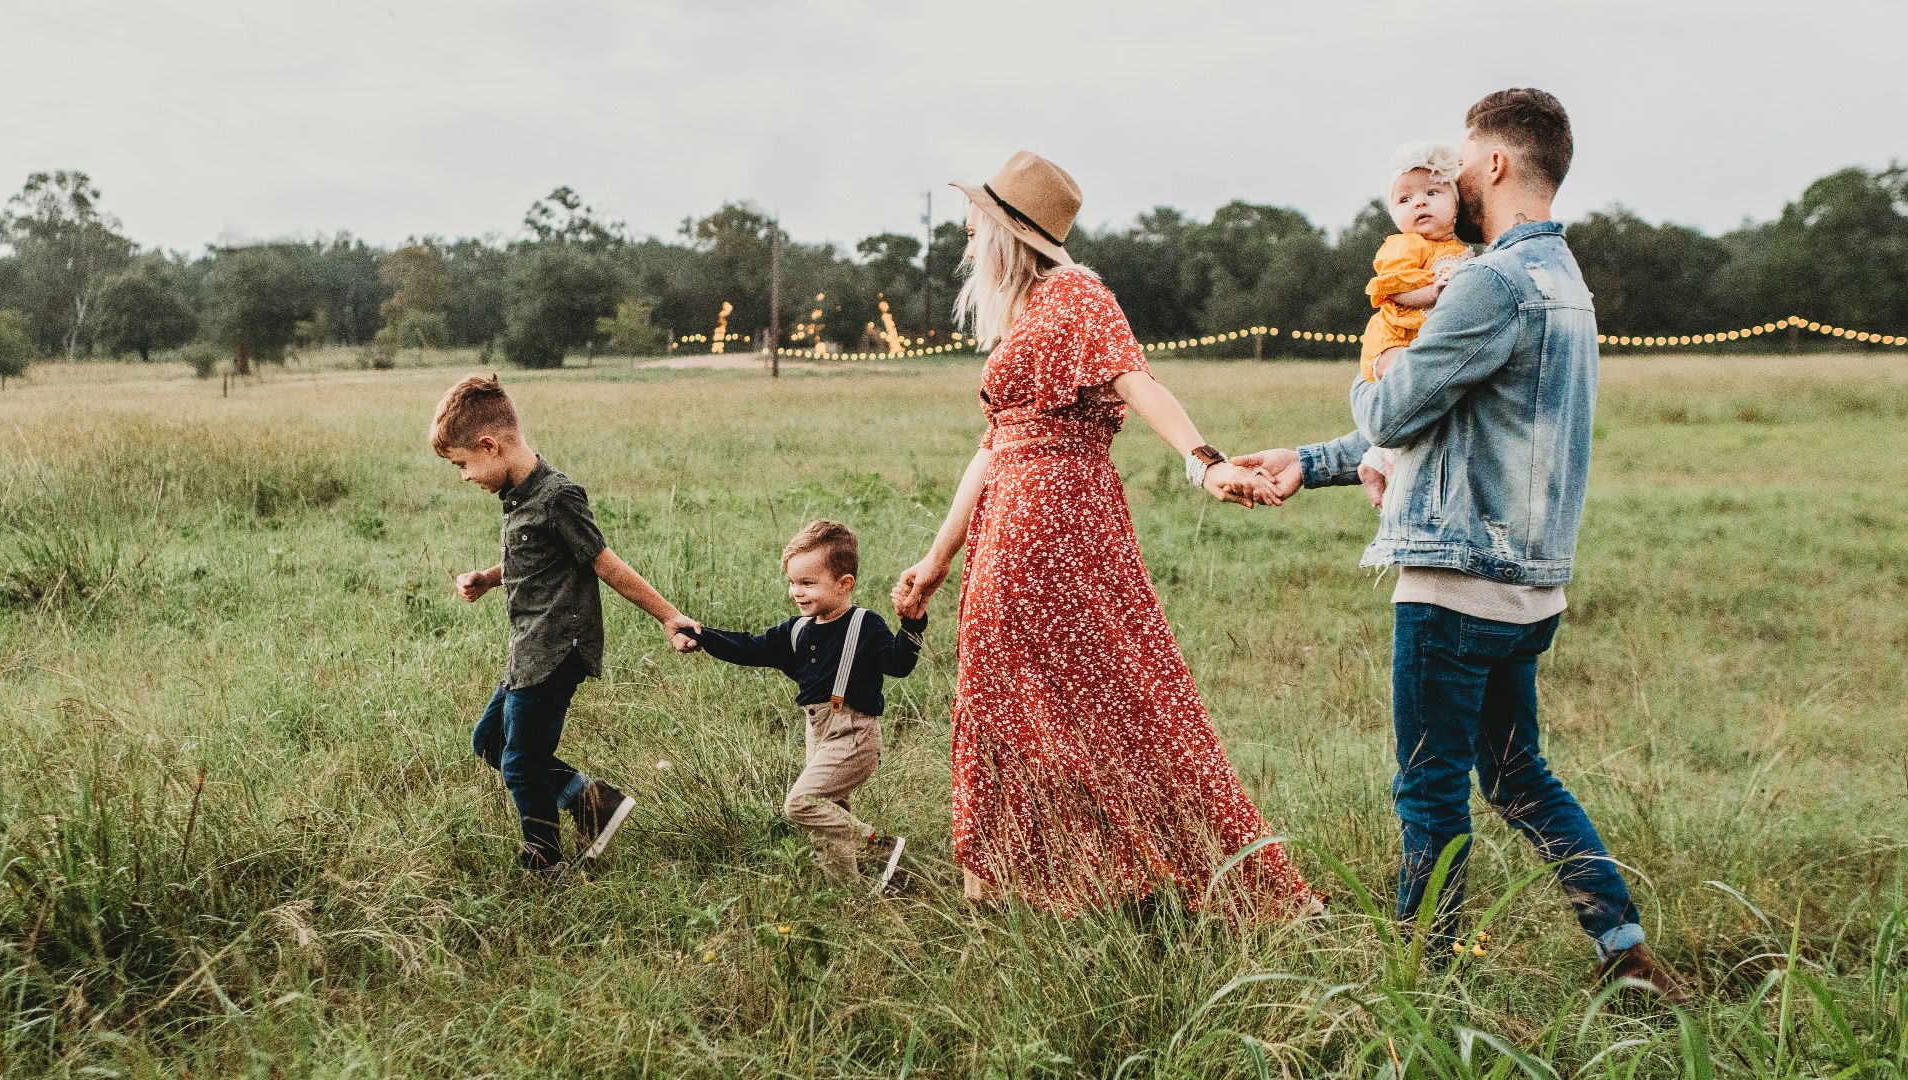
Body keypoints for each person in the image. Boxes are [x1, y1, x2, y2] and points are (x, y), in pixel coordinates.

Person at [1237, 90, 1685, 998]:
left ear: (1496, 166)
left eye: (1461, 162)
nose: (1448, 179)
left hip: (1455, 582)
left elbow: (1398, 407)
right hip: (1529, 586)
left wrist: (1373, 371)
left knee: (1428, 788)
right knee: (1519, 776)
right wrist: (1312, 462)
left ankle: (1420, 981)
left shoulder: (1488, 281)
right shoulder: (1565, 282)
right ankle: (1624, 951)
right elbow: (1456, 422)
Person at [891, 150, 1316, 922]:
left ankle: (1158, 871)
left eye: (975, 221)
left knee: (1116, 694)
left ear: (1008, 231)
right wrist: (937, 557)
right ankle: (1023, 877)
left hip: (1056, 518)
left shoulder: (1077, 295)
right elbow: (993, 446)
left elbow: (1138, 380)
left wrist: (1204, 462)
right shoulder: (1023, 313)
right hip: (1011, 519)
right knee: (1007, 692)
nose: (964, 234)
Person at [432, 374, 700, 872]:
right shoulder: (517, 497)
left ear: (489, 446)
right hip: (528, 649)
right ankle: (594, 804)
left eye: (462, 464)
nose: (464, 476)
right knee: (489, 742)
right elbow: (533, 560)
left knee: (520, 764)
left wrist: (670, 617)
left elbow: (605, 563)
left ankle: (545, 859)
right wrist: (490, 578)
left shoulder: (557, 496)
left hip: (556, 650)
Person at [684, 520, 923, 893]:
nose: (797, 591)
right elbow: (749, 647)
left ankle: (879, 846)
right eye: (793, 582)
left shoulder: (864, 624)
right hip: (818, 732)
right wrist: (701, 636)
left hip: (855, 733)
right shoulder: (796, 630)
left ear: (845, 584)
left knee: (802, 804)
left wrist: (912, 625)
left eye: (808, 583)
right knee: (829, 820)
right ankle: (850, 896)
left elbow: (899, 665)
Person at [1356, 141, 1472, 498]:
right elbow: (1393, 290)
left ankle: (1373, 462)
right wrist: (1431, 293)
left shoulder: (1461, 252)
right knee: (1403, 392)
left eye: (1432, 193)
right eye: (1404, 199)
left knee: (1426, 401)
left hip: (1423, 342)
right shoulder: (1404, 245)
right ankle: (1389, 463)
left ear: (1455, 203)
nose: (1418, 203)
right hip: (1394, 339)